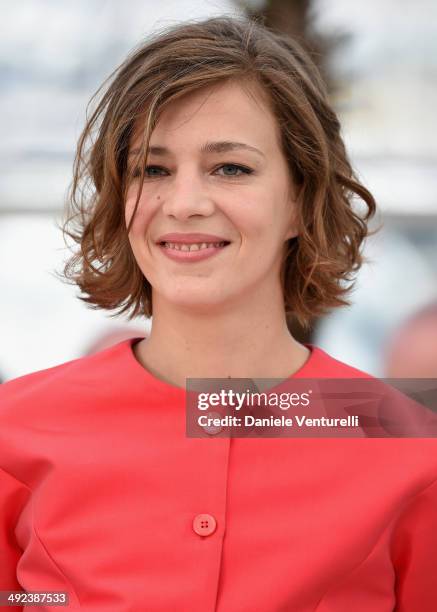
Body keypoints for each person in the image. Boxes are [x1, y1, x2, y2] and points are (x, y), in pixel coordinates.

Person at [1, 15, 436, 612]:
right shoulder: (14, 433)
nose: (184, 203)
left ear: (300, 201)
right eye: (152, 170)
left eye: (231, 167)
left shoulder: (410, 449)